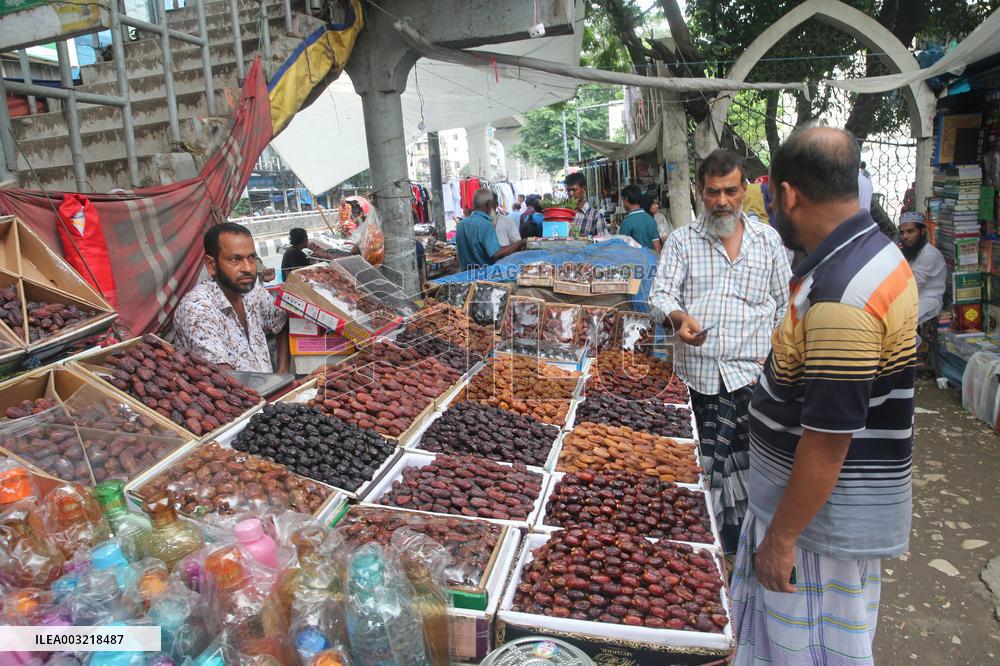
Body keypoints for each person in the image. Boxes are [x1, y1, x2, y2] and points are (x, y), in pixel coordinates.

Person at [731, 128, 917, 665]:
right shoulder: (873, 253)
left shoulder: (844, 294)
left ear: (788, 195)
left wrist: (782, 538)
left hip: (818, 528)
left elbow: (830, 440)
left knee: (804, 652)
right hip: (823, 514)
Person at [651, 149, 791, 554]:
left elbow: (787, 306)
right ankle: (702, 552)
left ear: (744, 189)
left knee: (757, 476)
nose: (723, 201)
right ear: (700, 191)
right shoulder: (682, 242)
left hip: (754, 381)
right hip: (699, 382)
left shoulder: (767, 241)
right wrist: (679, 318)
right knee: (700, 473)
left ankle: (747, 551)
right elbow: (660, 295)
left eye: (731, 191)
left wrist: (778, 352)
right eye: (713, 193)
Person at [174, 222, 290, 373]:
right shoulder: (197, 309)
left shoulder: (253, 291)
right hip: (239, 394)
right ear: (211, 264)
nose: (248, 268)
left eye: (251, 258)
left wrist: (283, 374)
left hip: (269, 390)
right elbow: (225, 382)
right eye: (235, 260)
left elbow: (280, 321)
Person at [899, 211, 946, 345]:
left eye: (910, 231)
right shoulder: (909, 251)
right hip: (911, 298)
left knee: (898, 318)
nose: (905, 236)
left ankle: (915, 347)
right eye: (902, 233)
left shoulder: (929, 254)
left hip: (928, 300)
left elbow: (913, 285)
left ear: (922, 231)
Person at [455, 188, 525, 269]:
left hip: (465, 275)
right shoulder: (486, 225)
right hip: (483, 274)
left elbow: (459, 254)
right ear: (489, 204)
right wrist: (522, 242)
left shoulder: (461, 224)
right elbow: (495, 253)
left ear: (473, 204)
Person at [618, 185, 662, 251]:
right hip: (651, 259)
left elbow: (621, 248)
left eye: (622, 200)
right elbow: (657, 246)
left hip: (634, 260)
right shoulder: (650, 219)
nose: (623, 203)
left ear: (626, 200)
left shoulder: (626, 222)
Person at [565, 172, 608, 237]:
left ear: (584, 189)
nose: (571, 193)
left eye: (574, 190)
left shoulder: (596, 216)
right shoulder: (565, 214)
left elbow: (602, 243)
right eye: (568, 190)